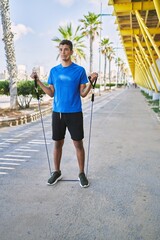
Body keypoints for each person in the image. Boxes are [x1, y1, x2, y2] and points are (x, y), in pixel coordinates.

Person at [31, 39, 98, 188]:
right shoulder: (54, 71)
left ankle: (81, 173)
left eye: (66, 49)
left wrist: (91, 82)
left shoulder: (79, 70)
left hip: (74, 113)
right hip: (58, 113)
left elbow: (83, 94)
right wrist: (38, 81)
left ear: (71, 52)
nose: (63, 52)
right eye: (61, 49)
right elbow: (51, 93)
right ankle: (56, 172)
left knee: (78, 144)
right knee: (57, 143)